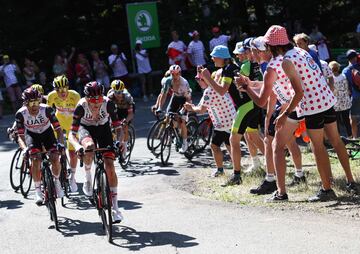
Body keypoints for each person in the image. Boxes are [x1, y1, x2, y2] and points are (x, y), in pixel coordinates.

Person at [263, 25, 358, 202]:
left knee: (318, 146)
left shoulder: (286, 61)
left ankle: (327, 189)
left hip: (313, 105)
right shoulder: (301, 51)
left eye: (268, 45)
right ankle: (351, 181)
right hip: (326, 100)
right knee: (336, 141)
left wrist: (284, 115)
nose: (267, 48)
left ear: (274, 46)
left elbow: (299, 93)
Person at [235, 36, 304, 199]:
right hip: (289, 105)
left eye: (252, 50)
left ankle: (276, 186)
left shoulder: (270, 65)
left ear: (260, 51)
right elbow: (271, 87)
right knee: (278, 142)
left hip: (290, 106)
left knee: (275, 146)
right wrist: (252, 84)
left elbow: (262, 99)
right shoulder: (273, 61)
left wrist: (246, 87)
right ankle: (294, 176)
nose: (250, 53)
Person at [198, 45, 260, 186]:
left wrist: (208, 78)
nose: (212, 59)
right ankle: (271, 170)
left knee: (233, 140)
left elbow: (221, 91)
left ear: (221, 58)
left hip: (245, 106)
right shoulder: (232, 67)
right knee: (254, 137)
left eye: (214, 56)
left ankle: (237, 175)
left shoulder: (228, 70)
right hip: (251, 104)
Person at [69, 81, 124, 222]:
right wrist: (77, 147)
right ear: (86, 98)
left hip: (103, 129)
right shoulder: (81, 106)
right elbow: (71, 134)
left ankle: (116, 209)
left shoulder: (109, 104)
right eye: (92, 100)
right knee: (89, 147)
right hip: (86, 129)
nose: (96, 102)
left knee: (110, 166)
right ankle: (88, 178)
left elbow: (118, 128)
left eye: (99, 99)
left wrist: (120, 142)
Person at [15, 87, 65, 205]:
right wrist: (24, 149)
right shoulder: (20, 114)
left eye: (37, 102)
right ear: (25, 103)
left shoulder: (47, 110)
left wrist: (61, 144)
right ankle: (38, 190)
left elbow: (58, 130)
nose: (34, 105)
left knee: (54, 157)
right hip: (32, 135)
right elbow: (20, 136)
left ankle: (57, 182)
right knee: (35, 158)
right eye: (31, 103)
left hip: (47, 134)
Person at [184, 67, 236, 177]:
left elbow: (202, 110)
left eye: (200, 79)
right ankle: (232, 170)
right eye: (197, 80)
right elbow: (202, 106)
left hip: (224, 123)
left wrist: (191, 108)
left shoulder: (209, 91)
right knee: (223, 145)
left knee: (217, 146)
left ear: (206, 80)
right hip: (226, 122)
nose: (198, 82)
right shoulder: (214, 87)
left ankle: (228, 170)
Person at [47, 75, 81, 192]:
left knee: (72, 153)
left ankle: (72, 177)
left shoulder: (75, 95)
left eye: (64, 89)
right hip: (59, 124)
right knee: (54, 150)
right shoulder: (52, 96)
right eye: (58, 90)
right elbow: (46, 111)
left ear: (68, 87)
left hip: (72, 125)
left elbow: (82, 113)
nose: (62, 92)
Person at [155, 64, 192, 153]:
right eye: (173, 74)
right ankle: (175, 134)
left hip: (185, 99)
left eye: (177, 74)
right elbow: (163, 95)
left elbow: (188, 99)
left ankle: (185, 142)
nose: (175, 76)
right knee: (169, 115)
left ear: (180, 73)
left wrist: (183, 110)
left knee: (182, 121)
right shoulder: (168, 81)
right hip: (175, 97)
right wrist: (160, 107)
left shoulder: (184, 83)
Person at [107, 80, 135, 158]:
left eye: (120, 92)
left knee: (124, 126)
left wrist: (125, 121)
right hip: (117, 109)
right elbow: (108, 112)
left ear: (123, 91)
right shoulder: (110, 97)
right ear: (113, 91)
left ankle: (125, 148)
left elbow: (130, 114)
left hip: (126, 111)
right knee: (110, 125)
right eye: (116, 92)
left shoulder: (127, 97)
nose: (118, 94)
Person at [329, 61, 352, 138]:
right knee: (347, 121)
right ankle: (350, 136)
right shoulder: (343, 76)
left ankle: (338, 138)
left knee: (337, 122)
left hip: (336, 104)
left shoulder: (331, 79)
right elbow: (347, 88)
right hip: (345, 102)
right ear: (338, 68)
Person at [342, 49, 360, 138]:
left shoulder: (345, 70)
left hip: (354, 96)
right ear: (356, 58)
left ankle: (355, 137)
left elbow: (345, 86)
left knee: (353, 118)